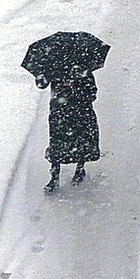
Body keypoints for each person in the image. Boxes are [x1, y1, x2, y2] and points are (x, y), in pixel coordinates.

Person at [38, 63, 100, 193]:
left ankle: (80, 169)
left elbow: (92, 93)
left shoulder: (84, 71)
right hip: (59, 113)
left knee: (82, 141)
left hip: (80, 113)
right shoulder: (54, 68)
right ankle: (54, 177)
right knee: (57, 144)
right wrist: (42, 77)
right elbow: (41, 84)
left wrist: (76, 90)